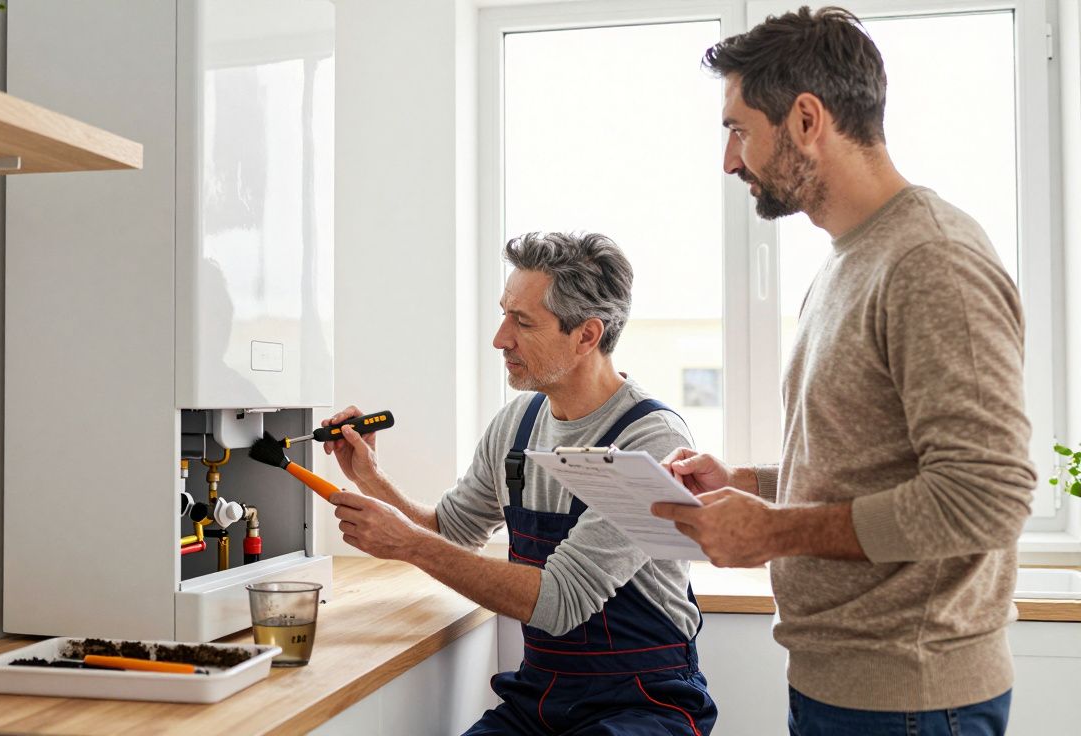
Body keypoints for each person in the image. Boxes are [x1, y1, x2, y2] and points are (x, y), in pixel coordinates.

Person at [650, 7, 1036, 736]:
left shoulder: (931, 260)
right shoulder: (850, 261)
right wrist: (746, 484)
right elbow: (862, 460)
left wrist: (774, 532)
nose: (729, 160)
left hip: (915, 701)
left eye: (737, 129)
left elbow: (989, 497)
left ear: (804, 120)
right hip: (845, 689)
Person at [325, 232, 718, 735]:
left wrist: (407, 544)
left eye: (523, 321)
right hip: (539, 697)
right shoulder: (518, 423)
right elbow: (455, 530)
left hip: (643, 701)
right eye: (503, 313)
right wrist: (372, 480)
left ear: (586, 336)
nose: (499, 338)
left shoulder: (651, 438)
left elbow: (559, 602)